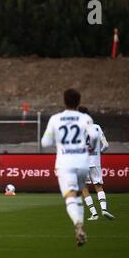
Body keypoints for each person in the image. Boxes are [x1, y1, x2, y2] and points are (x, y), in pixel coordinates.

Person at [41, 89, 98, 246]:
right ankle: (80, 225)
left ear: (64, 101)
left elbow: (45, 143)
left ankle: (78, 224)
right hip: (82, 163)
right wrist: (90, 146)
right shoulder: (85, 118)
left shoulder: (55, 119)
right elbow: (93, 137)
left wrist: (59, 142)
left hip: (65, 163)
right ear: (78, 102)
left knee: (70, 196)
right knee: (79, 194)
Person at [78, 107, 115, 221]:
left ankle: (94, 214)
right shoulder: (97, 127)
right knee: (98, 186)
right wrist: (99, 153)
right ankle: (104, 209)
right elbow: (106, 145)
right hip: (95, 161)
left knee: (84, 187)